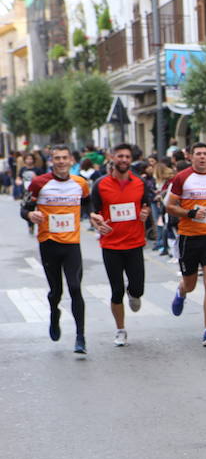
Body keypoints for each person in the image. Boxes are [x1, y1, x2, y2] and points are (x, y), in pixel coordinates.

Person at [20, 145, 90, 353]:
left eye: (64, 158)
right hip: (48, 244)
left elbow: (88, 204)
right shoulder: (39, 183)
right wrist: (30, 215)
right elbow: (24, 208)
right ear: (51, 161)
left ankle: (80, 337)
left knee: (75, 287)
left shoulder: (81, 184)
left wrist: (94, 216)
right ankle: (54, 312)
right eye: (56, 158)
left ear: (71, 161)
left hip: (72, 244)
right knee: (56, 292)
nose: (61, 161)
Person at [87, 144, 153, 346]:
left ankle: (134, 293)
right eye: (120, 156)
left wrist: (146, 213)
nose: (124, 159)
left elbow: (146, 206)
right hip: (111, 245)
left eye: (127, 156)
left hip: (134, 243)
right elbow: (93, 211)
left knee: (137, 289)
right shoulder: (100, 184)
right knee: (116, 290)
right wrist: (96, 220)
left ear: (131, 159)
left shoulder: (140, 183)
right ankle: (120, 329)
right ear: (112, 158)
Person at [165, 142, 206, 346]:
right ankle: (181, 291)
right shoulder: (182, 178)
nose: (202, 157)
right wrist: (190, 213)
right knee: (191, 284)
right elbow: (169, 206)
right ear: (191, 156)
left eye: (205, 154)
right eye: (198, 154)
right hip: (188, 237)